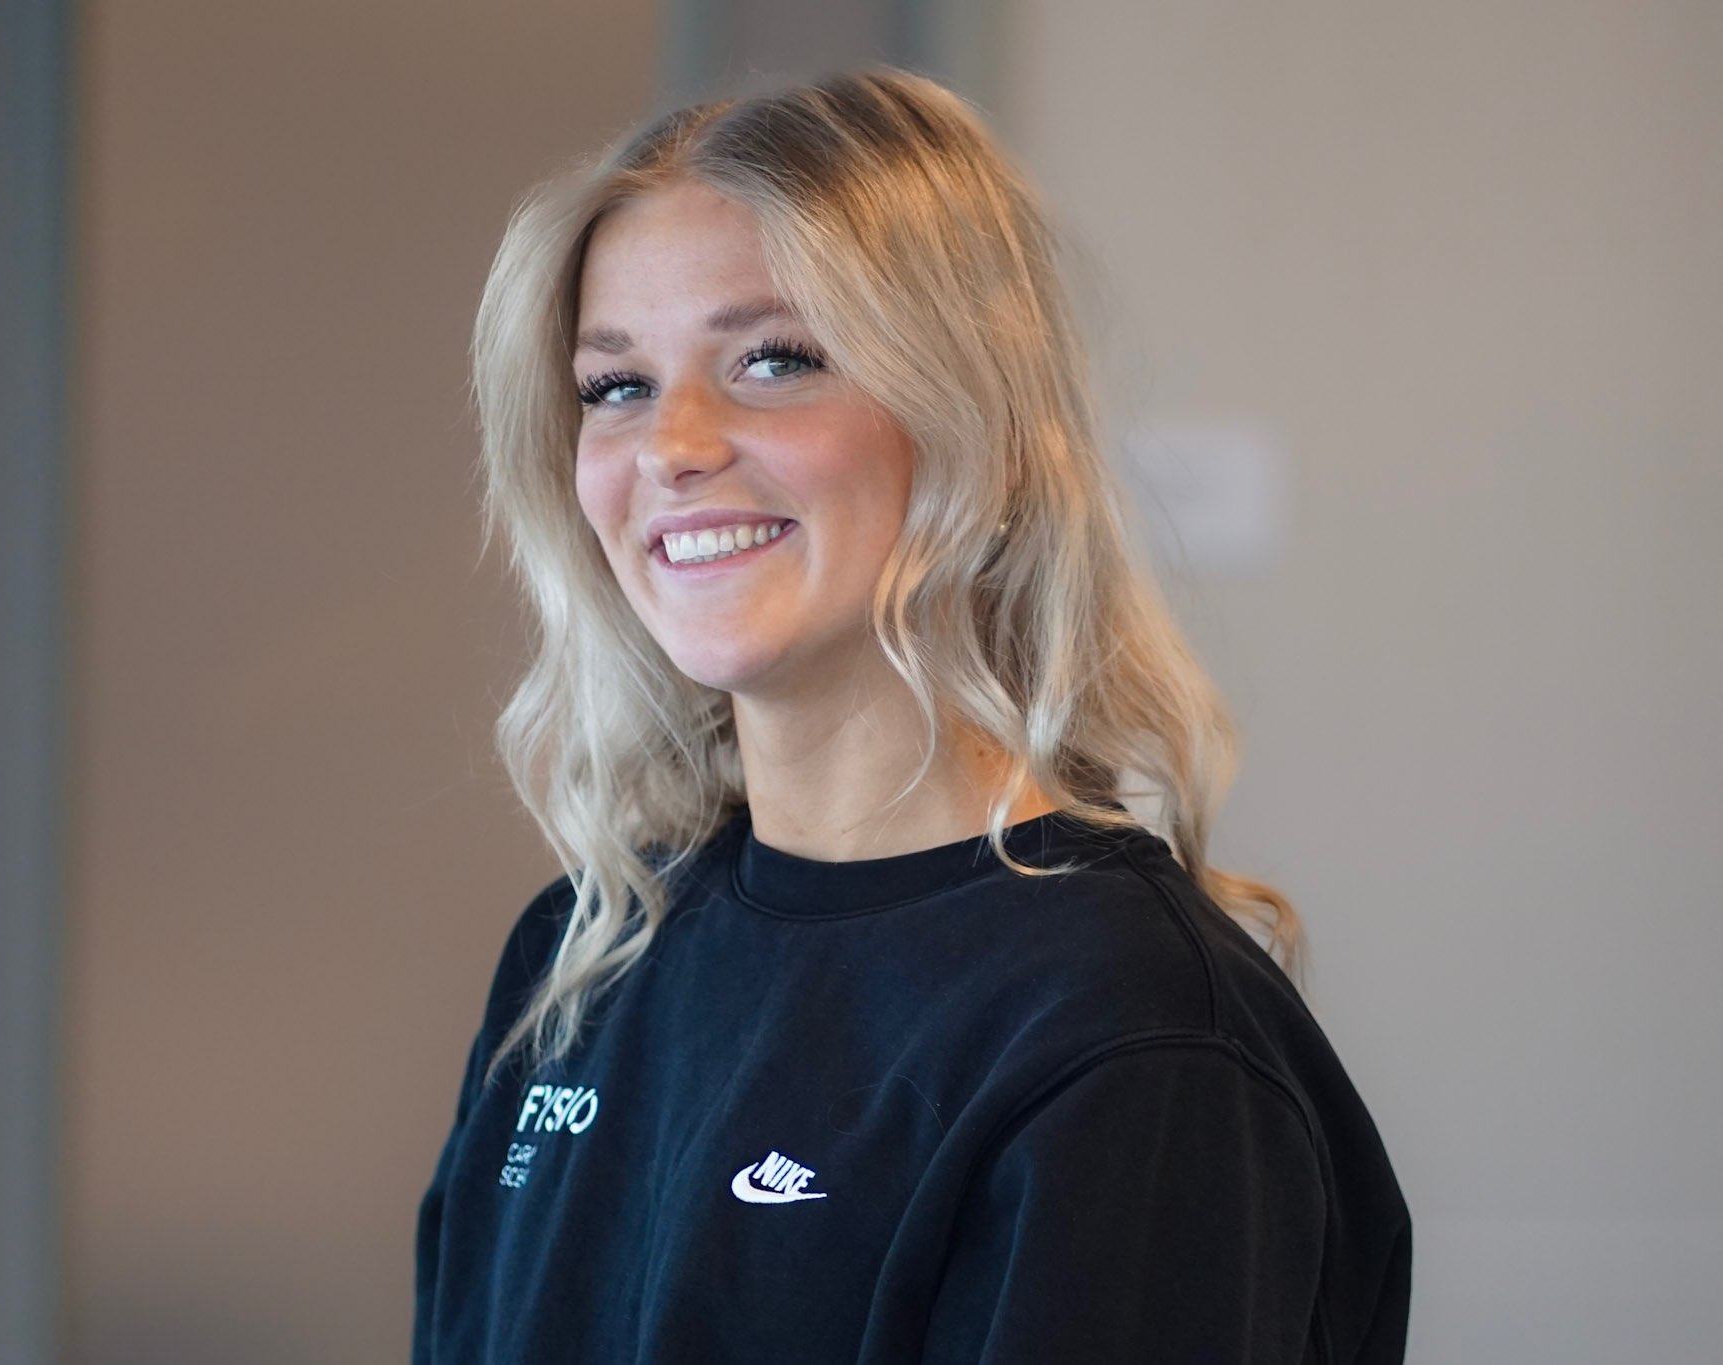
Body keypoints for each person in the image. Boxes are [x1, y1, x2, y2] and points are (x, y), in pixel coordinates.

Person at [414, 66, 1410, 1364]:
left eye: (774, 360)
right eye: (617, 386)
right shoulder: (581, 959)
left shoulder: (1129, 1036)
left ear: (971, 416)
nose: (672, 444)